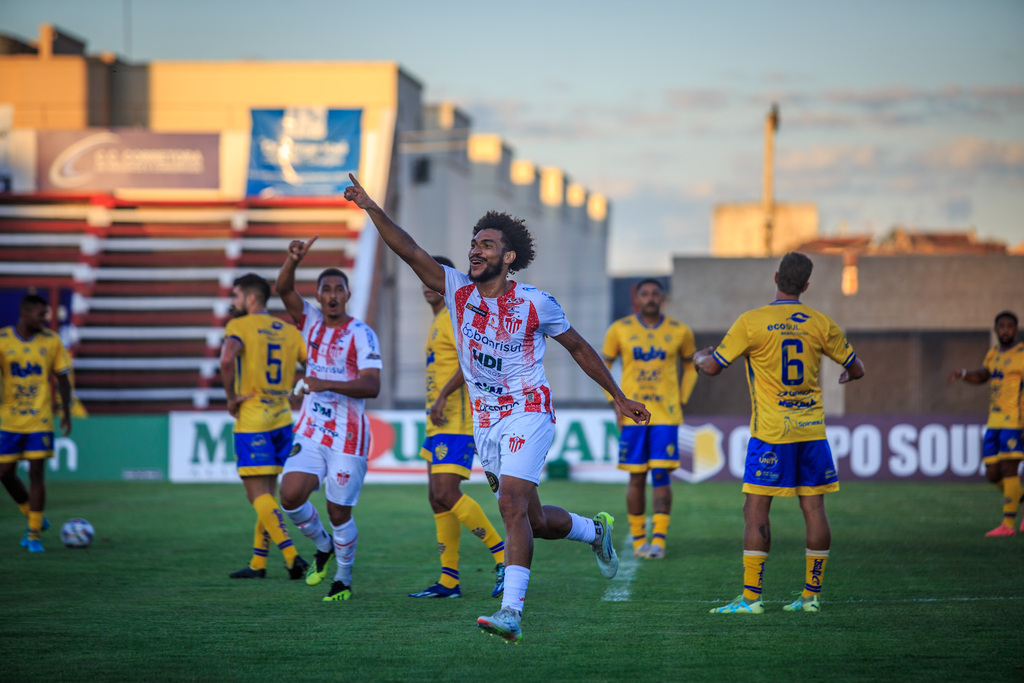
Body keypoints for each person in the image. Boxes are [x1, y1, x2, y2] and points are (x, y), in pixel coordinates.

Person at [343, 173, 650, 644]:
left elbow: (581, 348)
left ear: (508, 258)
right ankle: (594, 530)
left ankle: (511, 612)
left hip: (528, 411)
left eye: (486, 244)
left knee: (508, 504)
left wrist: (618, 395)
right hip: (485, 423)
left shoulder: (536, 303)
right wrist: (370, 207)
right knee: (534, 520)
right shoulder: (457, 292)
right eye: (473, 243)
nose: (475, 250)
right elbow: (409, 251)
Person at [694, 252, 864, 614]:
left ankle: (752, 599)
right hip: (812, 431)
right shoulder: (820, 323)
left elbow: (712, 367)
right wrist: (848, 373)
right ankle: (811, 596)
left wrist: (697, 359)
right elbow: (857, 367)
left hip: (771, 432)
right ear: (805, 286)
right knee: (814, 508)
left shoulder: (752, 322)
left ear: (775, 277)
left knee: (755, 508)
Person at [276, 238, 382, 601]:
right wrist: (292, 259)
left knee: (338, 511)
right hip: (311, 429)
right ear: (319, 297)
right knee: (289, 496)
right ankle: (323, 547)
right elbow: (283, 288)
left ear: (348, 295)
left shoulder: (361, 334)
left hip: (348, 437)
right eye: (326, 290)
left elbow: (372, 386)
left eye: (339, 289)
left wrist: (322, 381)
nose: (333, 295)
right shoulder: (309, 322)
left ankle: (344, 578)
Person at [408, 255, 507, 599]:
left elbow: (471, 365)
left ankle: (503, 554)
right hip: (438, 422)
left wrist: (440, 400)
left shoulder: (453, 315)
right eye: (422, 278)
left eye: (431, 278)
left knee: (447, 493)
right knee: (437, 500)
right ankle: (449, 580)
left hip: (458, 421)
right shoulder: (439, 319)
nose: (426, 284)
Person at [219, 273, 309, 580]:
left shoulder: (238, 326)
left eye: (236, 296)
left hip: (253, 418)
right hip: (282, 419)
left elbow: (227, 359)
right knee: (269, 493)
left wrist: (231, 398)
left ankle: (291, 557)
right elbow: (311, 368)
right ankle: (258, 562)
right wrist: (296, 390)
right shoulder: (288, 331)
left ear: (251, 298)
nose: (233, 302)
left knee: (256, 494)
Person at [602, 278, 696, 560]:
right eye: (645, 294)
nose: (651, 298)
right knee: (636, 476)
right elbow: (603, 364)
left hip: (666, 414)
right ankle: (639, 540)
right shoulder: (620, 329)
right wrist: (615, 402)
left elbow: (691, 365)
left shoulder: (680, 331)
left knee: (660, 474)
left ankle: (659, 540)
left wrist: (682, 397)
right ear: (637, 298)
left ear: (662, 297)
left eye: (656, 293)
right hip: (633, 414)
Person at [0, 293, 73, 553]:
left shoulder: (52, 341)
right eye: (40, 314)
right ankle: (36, 519)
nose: (45, 319)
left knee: (36, 473)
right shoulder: (3, 340)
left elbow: (63, 379)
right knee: (4, 473)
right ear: (25, 314)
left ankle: (33, 535)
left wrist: (66, 412)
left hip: (39, 419)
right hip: (9, 419)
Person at [948, 311, 1024, 536]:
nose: (1006, 330)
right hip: (994, 421)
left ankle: (1008, 525)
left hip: (1015, 421)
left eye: (1010, 326)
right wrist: (963, 373)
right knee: (992, 473)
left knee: (1010, 469)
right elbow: (983, 375)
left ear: (1016, 329)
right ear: (996, 330)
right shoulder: (993, 354)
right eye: (1002, 326)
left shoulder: (1021, 354)